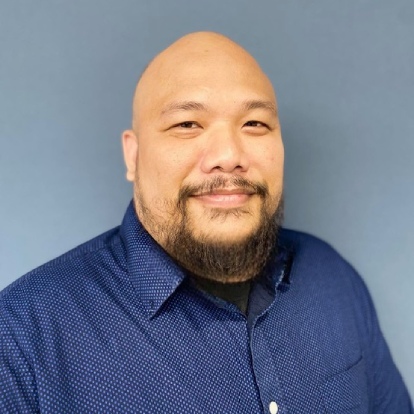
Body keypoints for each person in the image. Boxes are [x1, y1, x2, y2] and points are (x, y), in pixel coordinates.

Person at [0, 31, 412, 413]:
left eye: (254, 123)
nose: (228, 155)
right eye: (187, 124)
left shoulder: (334, 279)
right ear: (133, 156)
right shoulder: (21, 339)